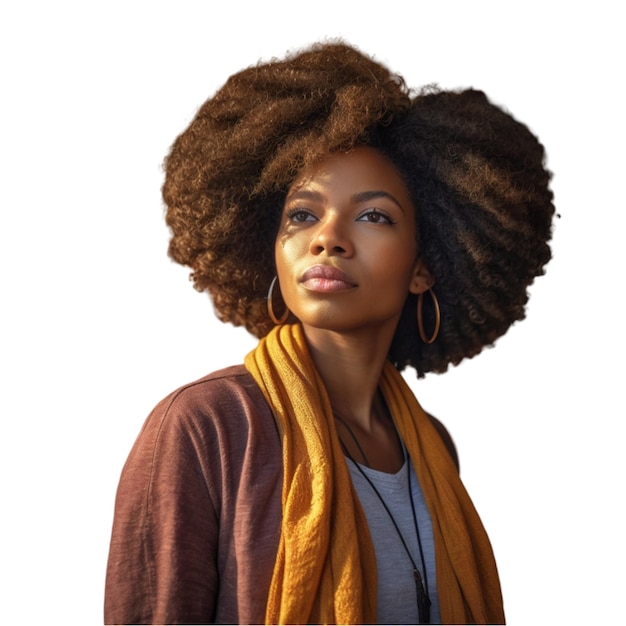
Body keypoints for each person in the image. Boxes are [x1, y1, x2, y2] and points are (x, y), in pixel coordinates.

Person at [104, 42, 554, 625]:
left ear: (425, 264)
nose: (328, 238)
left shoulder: (431, 445)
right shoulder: (206, 427)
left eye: (373, 216)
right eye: (302, 215)